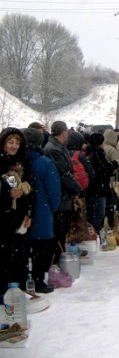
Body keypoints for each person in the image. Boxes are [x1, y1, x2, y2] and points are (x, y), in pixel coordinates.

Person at [24, 128, 61, 293]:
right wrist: (53, 207)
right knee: (42, 249)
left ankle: (23, 280)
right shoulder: (44, 162)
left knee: (23, 251)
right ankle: (38, 281)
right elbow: (53, 190)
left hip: (21, 214)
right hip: (42, 210)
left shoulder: (20, 161)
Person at [0, 127, 34, 300]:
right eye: (10, 142)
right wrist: (6, 195)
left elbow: (32, 191)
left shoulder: (23, 164)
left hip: (20, 218)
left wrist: (29, 215)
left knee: (19, 256)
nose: (13, 146)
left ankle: (16, 290)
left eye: (17, 143)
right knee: (4, 257)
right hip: (3, 219)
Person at [44, 121, 82, 263]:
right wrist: (76, 187)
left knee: (62, 229)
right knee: (58, 231)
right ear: (63, 132)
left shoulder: (59, 147)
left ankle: (59, 257)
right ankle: (57, 260)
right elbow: (64, 173)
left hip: (64, 195)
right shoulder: (54, 149)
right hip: (60, 196)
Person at [86, 133, 118, 235]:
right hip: (99, 188)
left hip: (92, 188)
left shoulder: (89, 152)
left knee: (93, 213)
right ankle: (97, 234)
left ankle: (94, 232)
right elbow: (104, 169)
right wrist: (114, 165)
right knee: (99, 213)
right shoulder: (97, 153)